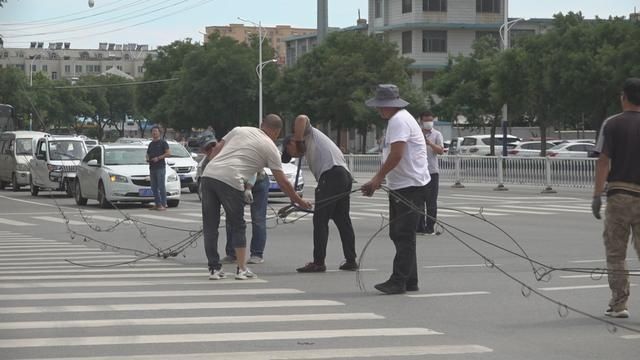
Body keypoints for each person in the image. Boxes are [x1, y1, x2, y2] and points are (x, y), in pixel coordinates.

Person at [200, 114, 311, 280]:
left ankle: (214, 269)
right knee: (238, 225)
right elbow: (283, 182)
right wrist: (299, 200)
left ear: (261, 124)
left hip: (208, 176)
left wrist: (216, 168)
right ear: (278, 132)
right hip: (231, 179)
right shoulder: (270, 147)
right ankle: (241, 268)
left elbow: (216, 149)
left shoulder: (239, 130)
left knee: (210, 226)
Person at [361, 84, 429, 295]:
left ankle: (399, 280)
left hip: (410, 186)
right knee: (401, 234)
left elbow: (397, 154)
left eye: (380, 106)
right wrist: (382, 180)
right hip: (403, 185)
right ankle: (410, 279)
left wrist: (377, 179)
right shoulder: (398, 119)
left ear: (389, 105)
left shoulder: (399, 120)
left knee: (403, 234)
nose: (378, 110)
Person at [281, 114, 358, 273]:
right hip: (343, 176)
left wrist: (299, 140)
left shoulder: (308, 134)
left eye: (291, 153)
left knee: (320, 220)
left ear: (291, 143)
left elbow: (301, 118)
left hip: (331, 175)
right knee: (342, 219)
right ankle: (351, 259)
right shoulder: (310, 148)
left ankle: (318, 262)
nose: (295, 156)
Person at [592, 77, 640, 319]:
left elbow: (602, 162)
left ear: (624, 97)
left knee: (616, 253)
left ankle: (619, 304)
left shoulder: (611, 124)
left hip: (620, 194)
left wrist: (596, 195)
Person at [222, 170, 269, 265]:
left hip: (258, 181)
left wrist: (248, 188)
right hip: (239, 183)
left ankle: (257, 254)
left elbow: (254, 169)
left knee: (258, 219)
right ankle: (232, 253)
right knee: (232, 217)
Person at [416, 111, 444, 235]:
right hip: (418, 172)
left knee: (431, 201)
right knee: (418, 201)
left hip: (432, 172)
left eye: (430, 120)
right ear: (421, 121)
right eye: (426, 120)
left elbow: (441, 151)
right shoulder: (416, 133)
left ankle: (430, 227)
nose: (429, 123)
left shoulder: (437, 134)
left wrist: (430, 143)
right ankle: (419, 226)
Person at [146, 126, 171, 211]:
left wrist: (158, 158)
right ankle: (157, 204)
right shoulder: (151, 144)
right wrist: (147, 158)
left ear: (159, 133)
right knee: (153, 187)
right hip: (152, 167)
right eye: (153, 131)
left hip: (160, 167)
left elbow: (168, 153)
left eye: (156, 131)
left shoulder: (163, 142)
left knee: (161, 186)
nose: (154, 133)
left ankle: (163, 204)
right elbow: (148, 153)